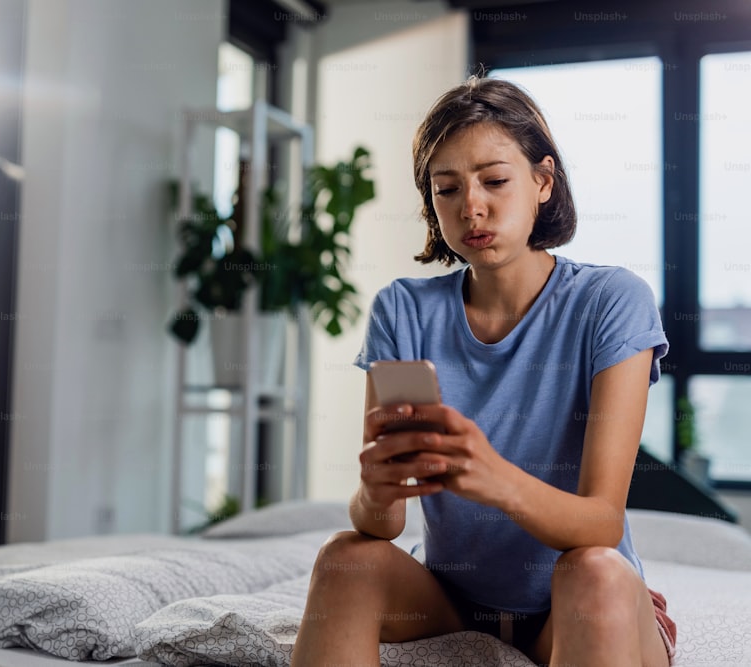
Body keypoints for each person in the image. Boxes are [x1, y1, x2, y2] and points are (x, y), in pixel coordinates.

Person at [290, 76, 676, 667]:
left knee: (595, 570)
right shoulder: (403, 310)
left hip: (577, 602)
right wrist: (375, 490)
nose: (472, 206)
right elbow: (383, 524)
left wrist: (494, 477)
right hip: (452, 602)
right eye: (447, 189)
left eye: (495, 180)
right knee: (347, 557)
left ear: (543, 182)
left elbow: (602, 521)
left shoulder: (612, 300)